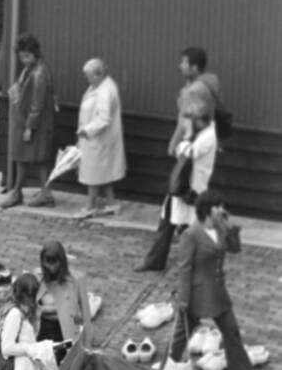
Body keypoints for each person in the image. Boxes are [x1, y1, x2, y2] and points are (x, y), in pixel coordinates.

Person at [137, 48, 221, 272]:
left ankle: (189, 258)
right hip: (192, 162)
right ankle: (160, 258)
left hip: (189, 163)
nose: (180, 66)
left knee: (181, 212)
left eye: (184, 63)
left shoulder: (194, 91)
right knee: (173, 209)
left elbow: (185, 122)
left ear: (194, 67)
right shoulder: (205, 88)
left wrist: (174, 144)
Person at [168, 192, 257, 370]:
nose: (222, 210)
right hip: (197, 293)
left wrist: (232, 229)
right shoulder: (191, 234)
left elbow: (235, 249)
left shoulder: (220, 228)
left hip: (218, 292)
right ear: (207, 209)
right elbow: (185, 267)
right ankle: (169, 366)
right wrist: (183, 298)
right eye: (218, 206)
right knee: (182, 334)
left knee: (231, 331)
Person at [2, 33, 56, 209]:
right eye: (22, 56)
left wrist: (29, 127)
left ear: (34, 53)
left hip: (32, 123)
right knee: (26, 157)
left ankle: (26, 192)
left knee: (31, 157)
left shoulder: (39, 73)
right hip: (26, 120)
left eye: (27, 56)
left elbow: (37, 103)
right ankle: (35, 191)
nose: (24, 60)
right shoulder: (33, 69)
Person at [75, 58, 126, 219]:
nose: (86, 79)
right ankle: (111, 203)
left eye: (88, 76)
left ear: (99, 75)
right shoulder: (99, 86)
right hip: (96, 139)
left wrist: (86, 131)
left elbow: (103, 119)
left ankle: (90, 206)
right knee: (103, 172)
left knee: (94, 174)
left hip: (98, 139)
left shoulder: (105, 91)